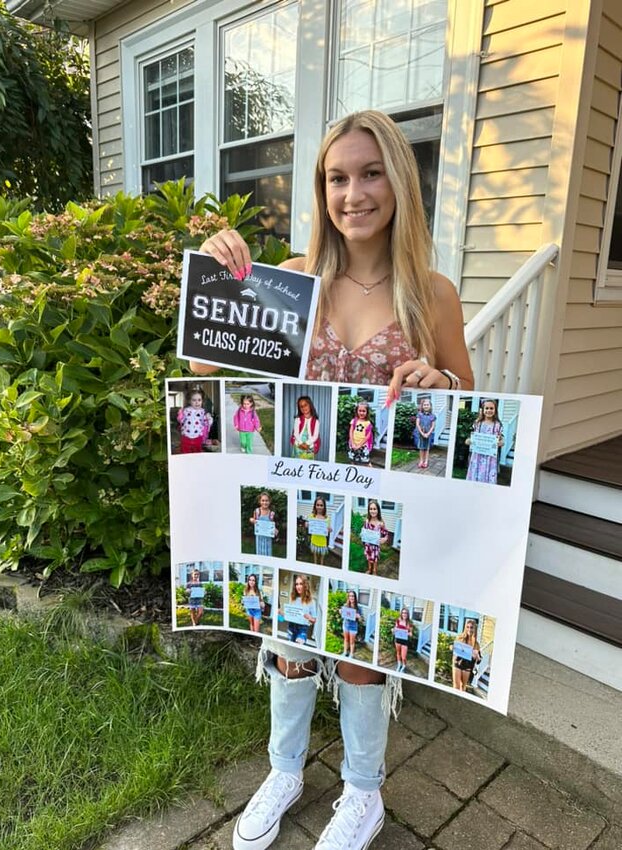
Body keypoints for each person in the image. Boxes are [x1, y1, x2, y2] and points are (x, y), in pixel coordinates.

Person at [193, 108, 473, 850]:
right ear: (321, 189)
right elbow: (206, 374)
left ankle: (363, 792)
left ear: (399, 184)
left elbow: (473, 408)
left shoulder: (432, 294)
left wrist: (436, 380)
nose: (354, 192)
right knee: (291, 636)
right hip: (293, 499)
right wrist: (219, 278)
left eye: (371, 172)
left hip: (381, 516)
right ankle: (284, 770)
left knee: (357, 647)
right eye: (337, 177)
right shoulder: (291, 283)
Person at [465, 398, 504, 484]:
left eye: (491, 408)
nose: (489, 410)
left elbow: (501, 439)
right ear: (482, 410)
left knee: (488, 477)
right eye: (486, 408)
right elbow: (473, 437)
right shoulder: (477, 423)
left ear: (495, 410)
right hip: (477, 455)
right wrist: (468, 440)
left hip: (490, 457)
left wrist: (501, 442)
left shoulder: (497, 425)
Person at [283, 574, 317, 644]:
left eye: (301, 584)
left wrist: (309, 617)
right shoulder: (293, 598)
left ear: (305, 585)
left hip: (302, 629)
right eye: (297, 584)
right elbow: (290, 614)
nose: (298, 587)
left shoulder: (311, 601)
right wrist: (282, 613)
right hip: (291, 627)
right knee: (290, 648)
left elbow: (314, 620)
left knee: (299, 645)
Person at [177, 389, 212, 454]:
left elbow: (206, 424)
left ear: (202, 401)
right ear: (190, 401)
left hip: (198, 437)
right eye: (194, 400)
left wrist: (209, 418)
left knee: (197, 454)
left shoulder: (203, 412)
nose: (197, 402)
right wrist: (180, 415)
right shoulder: (186, 410)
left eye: (199, 400)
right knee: (185, 453)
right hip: (186, 436)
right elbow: (181, 421)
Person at [452, 619, 482, 692]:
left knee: (463, 687)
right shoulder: (460, 638)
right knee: (456, 687)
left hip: (468, 667)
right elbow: (454, 649)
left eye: (471, 627)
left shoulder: (476, 644)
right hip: (457, 664)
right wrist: (451, 647)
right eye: (467, 627)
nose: (469, 629)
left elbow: (478, 661)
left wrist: (477, 657)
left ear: (474, 629)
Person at [361, 499, 388, 576]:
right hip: (368, 545)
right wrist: (362, 534)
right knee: (369, 557)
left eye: (374, 509)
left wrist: (385, 538)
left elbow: (385, 533)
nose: (372, 511)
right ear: (368, 510)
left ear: (378, 510)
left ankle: (374, 570)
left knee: (375, 559)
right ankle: (369, 569)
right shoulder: (367, 521)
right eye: (371, 509)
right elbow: (364, 530)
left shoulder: (381, 523)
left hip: (375, 546)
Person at [290, 395, 321, 459]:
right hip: (298, 445)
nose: (304, 407)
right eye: (301, 406)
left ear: (310, 405)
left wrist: (307, 444)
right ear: (299, 408)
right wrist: (301, 443)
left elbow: (315, 436)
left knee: (308, 462)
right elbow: (296, 433)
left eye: (305, 405)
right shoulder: (297, 419)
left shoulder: (316, 421)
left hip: (310, 447)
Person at [249, 492, 278, 557]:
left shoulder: (271, 513)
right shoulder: (257, 511)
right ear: (260, 501)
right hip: (259, 537)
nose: (265, 502)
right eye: (263, 500)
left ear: (269, 501)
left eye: (267, 501)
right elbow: (253, 519)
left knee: (268, 553)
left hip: (267, 538)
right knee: (259, 553)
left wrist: (275, 530)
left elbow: (272, 525)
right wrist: (251, 520)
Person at [306, 496, 331, 565]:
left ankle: (321, 565)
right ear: (315, 506)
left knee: (322, 559)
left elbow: (328, 529)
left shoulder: (327, 518)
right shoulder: (312, 516)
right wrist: (307, 525)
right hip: (314, 539)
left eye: (321, 505)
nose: (319, 507)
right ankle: (315, 564)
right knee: (315, 557)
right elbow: (309, 526)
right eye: (317, 505)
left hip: (323, 541)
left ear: (324, 507)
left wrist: (329, 530)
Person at [347, 401, 374, 465]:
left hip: (363, 446)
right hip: (353, 445)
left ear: (367, 412)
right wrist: (353, 443)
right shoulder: (354, 421)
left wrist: (360, 445)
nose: (361, 413)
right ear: (357, 411)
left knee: (366, 461)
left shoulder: (368, 423)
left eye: (364, 411)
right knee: (352, 460)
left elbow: (368, 436)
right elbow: (351, 431)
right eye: (360, 410)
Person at [413, 397, 436, 469]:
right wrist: (422, 433)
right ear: (422, 406)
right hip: (420, 434)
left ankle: (426, 461)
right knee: (421, 448)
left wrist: (428, 433)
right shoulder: (419, 414)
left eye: (427, 405)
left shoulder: (433, 416)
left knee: (427, 448)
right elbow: (417, 424)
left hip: (429, 434)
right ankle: (421, 461)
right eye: (424, 405)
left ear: (430, 406)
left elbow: (433, 426)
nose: (426, 406)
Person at [341, 589, 363, 658]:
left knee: (352, 642)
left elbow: (361, 620)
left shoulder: (358, 608)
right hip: (346, 625)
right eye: (350, 596)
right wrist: (340, 612)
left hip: (353, 627)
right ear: (348, 597)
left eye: (353, 596)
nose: (351, 597)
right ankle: (345, 652)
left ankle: (351, 654)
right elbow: (343, 615)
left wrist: (359, 617)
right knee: (346, 639)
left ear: (355, 597)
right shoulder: (345, 605)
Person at [392, 607, 412, 673]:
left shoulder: (409, 623)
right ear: (401, 613)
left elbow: (411, 634)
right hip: (398, 640)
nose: (404, 614)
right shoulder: (398, 621)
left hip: (405, 641)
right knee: (398, 653)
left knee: (404, 657)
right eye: (403, 613)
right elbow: (395, 630)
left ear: (407, 614)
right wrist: (393, 630)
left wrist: (408, 633)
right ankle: (399, 665)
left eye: (405, 613)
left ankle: (404, 666)